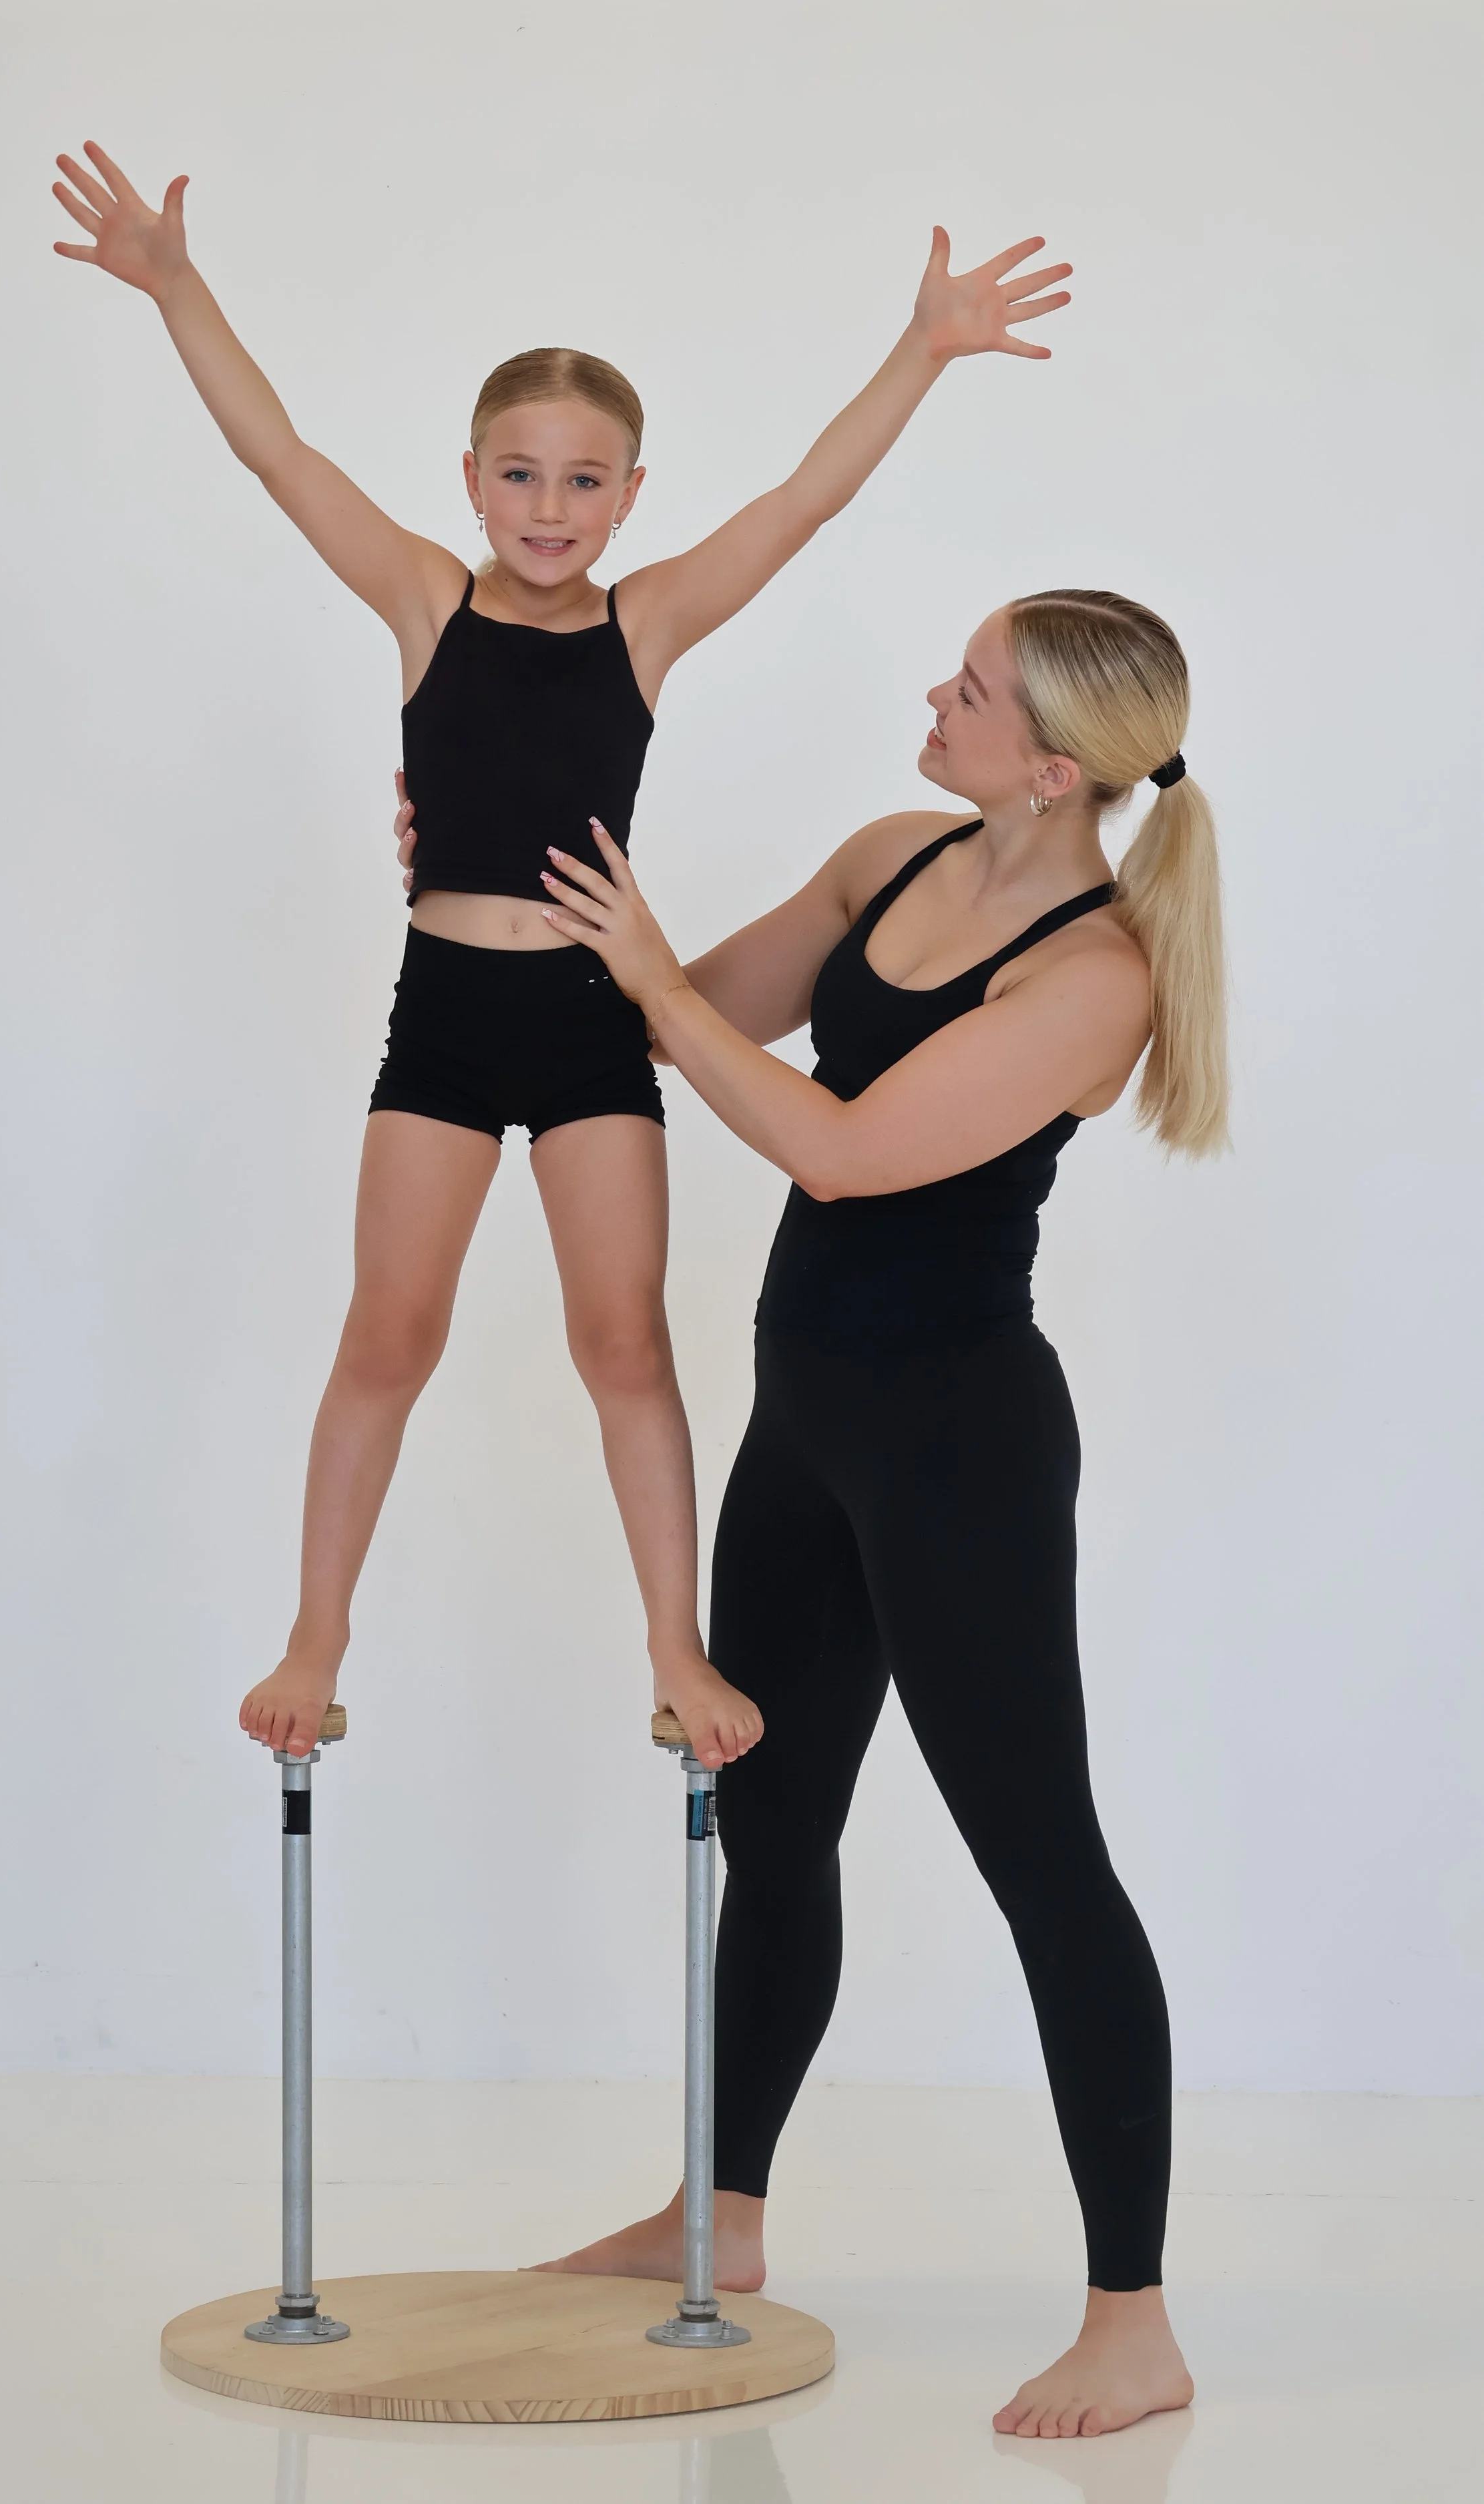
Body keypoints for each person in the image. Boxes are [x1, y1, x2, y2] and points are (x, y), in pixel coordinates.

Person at [49, 140, 1069, 1767]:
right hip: (443, 1019)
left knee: (622, 1341)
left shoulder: (644, 623)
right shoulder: (419, 598)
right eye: (519, 476)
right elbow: (276, 455)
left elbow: (801, 499)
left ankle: (674, 1643)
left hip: (592, 1022)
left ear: (630, 497)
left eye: (585, 481)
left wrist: (922, 348)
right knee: (389, 1333)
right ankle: (319, 1630)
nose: (548, 510)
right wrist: (176, 285)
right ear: (468, 481)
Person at [515, 586, 1222, 2439]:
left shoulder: (1093, 975)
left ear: (1056, 768)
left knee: (1040, 1859)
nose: (935, 690)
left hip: (956, 1447)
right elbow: (687, 1015)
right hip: (804, 1418)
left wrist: (660, 981)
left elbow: (835, 1142)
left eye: (971, 687)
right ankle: (720, 2213)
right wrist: (506, 861)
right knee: (771, 1812)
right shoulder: (890, 855)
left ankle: (1131, 2316)